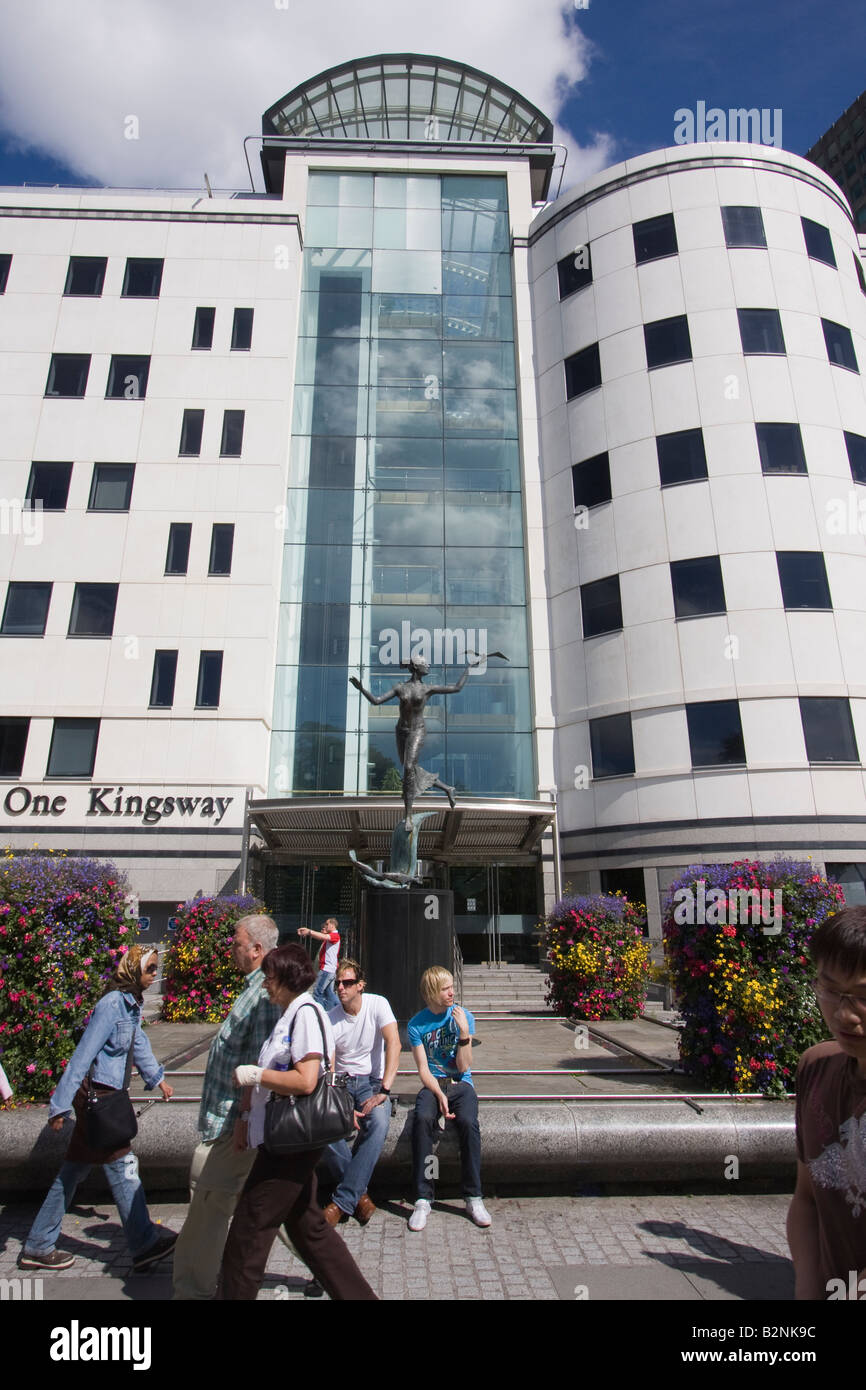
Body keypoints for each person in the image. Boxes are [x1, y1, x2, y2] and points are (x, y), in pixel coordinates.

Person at [219, 942, 377, 1301]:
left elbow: (306, 1080)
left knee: (249, 1229)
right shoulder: (289, 1014)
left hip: (289, 1141)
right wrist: (246, 1115)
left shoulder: (305, 1014)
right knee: (309, 1228)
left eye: (270, 977)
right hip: (288, 1137)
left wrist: (254, 1074)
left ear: (287, 978)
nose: (265, 984)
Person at [18, 945, 176, 1274]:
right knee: (124, 1168)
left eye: (155, 968)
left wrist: (157, 1078)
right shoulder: (112, 1004)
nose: (154, 974)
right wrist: (59, 1106)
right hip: (98, 1100)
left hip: (105, 1097)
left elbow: (137, 1043)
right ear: (133, 969)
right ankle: (144, 1244)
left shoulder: (131, 1004)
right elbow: (83, 1054)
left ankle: (38, 1244)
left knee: (72, 1172)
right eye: (150, 969)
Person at [172, 913, 280, 1300]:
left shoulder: (263, 995)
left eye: (236, 943)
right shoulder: (255, 989)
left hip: (237, 1125)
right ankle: (324, 1262)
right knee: (282, 1208)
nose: (230, 949)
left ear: (257, 949)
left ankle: (191, 1291)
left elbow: (262, 1065)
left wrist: (245, 1119)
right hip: (235, 1122)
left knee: (209, 1207)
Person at [787, 905, 866, 1299]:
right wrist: (808, 1287)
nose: (845, 1015)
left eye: (864, 996)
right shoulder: (816, 1068)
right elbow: (807, 1199)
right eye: (831, 991)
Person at [406, 965, 491, 1233]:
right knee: (422, 1119)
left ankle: (473, 1196)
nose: (452, 992)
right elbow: (423, 1069)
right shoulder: (416, 1025)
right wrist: (439, 1093)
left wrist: (464, 1033)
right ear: (432, 992)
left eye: (452, 987)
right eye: (445, 989)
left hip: (461, 1084)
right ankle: (423, 1198)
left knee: (468, 1123)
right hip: (433, 1085)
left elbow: (464, 1067)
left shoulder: (464, 1016)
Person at [320, 958, 400, 1226]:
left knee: (378, 1122)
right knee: (325, 1125)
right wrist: (340, 1106)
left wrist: (385, 1089)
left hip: (371, 1082)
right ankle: (358, 1196)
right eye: (338, 983)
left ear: (361, 985)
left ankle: (341, 1202)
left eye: (347, 982)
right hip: (341, 1083)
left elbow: (394, 1042)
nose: (341, 988)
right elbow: (330, 1067)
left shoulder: (378, 1004)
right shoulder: (330, 1019)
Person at [298, 917, 341, 1010]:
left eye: (327, 924)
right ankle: (336, 1010)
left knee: (317, 993)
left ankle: (320, 1013)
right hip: (329, 970)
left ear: (332, 925)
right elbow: (322, 936)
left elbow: (323, 936)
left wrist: (309, 931)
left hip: (327, 970)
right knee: (329, 994)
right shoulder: (331, 937)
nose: (325, 926)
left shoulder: (335, 935)